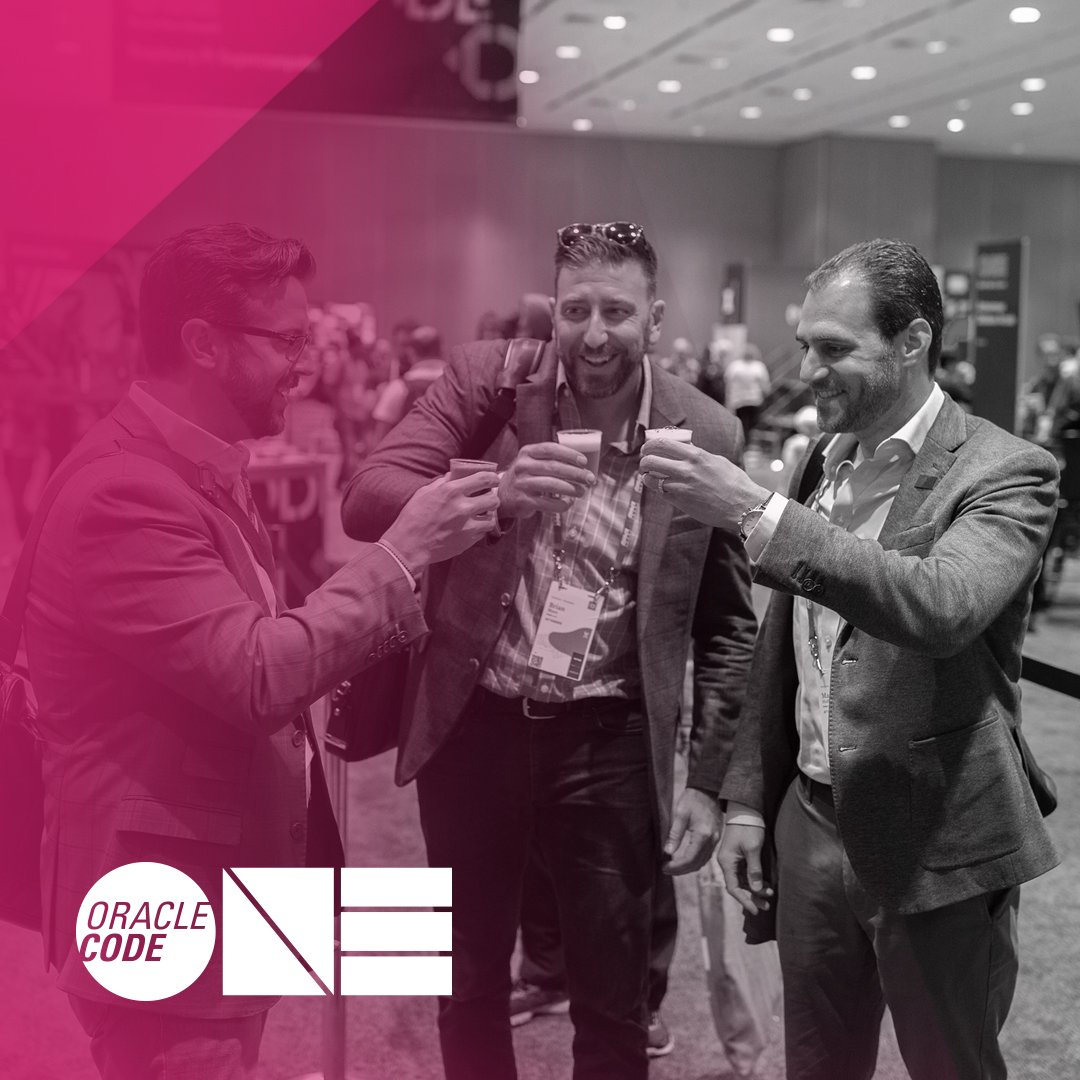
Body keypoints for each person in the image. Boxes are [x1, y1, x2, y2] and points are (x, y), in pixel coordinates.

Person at [23, 223, 500, 1080]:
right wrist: (403, 552)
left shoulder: (200, 466)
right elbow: (259, 673)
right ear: (202, 343)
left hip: (230, 866)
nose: (304, 366)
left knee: (433, 949)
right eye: (287, 341)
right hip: (161, 898)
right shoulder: (125, 491)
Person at [341, 221, 757, 1079]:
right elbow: (367, 496)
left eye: (617, 312)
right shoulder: (488, 381)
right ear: (553, 311)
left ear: (655, 319)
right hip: (475, 726)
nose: (594, 335)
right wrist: (493, 493)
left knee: (613, 1004)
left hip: (608, 741)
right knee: (467, 981)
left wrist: (711, 782)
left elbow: (726, 626)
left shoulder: (706, 432)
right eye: (576, 311)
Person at [639, 237, 1060, 1080]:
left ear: (913, 341)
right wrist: (749, 799)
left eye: (834, 349)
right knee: (817, 1061)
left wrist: (755, 511)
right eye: (805, 345)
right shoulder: (823, 459)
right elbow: (783, 646)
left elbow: (940, 605)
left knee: (950, 1062)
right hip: (811, 816)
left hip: (936, 831)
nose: (808, 371)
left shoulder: (1007, 470)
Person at [371, 324, 447, 443]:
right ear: (441, 350)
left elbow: (379, 438)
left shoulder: (399, 387)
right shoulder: (459, 385)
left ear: (411, 353)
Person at [722, 344, 771, 443]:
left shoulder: (735, 366)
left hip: (744, 400)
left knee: (743, 424)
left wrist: (728, 400)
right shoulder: (758, 366)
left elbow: (727, 383)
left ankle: (744, 442)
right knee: (748, 425)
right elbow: (765, 385)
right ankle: (745, 442)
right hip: (748, 400)